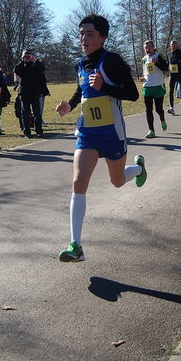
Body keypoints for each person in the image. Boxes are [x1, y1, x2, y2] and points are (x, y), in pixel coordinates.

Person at [55, 14, 147, 262]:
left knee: (116, 181)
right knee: (78, 182)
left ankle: (138, 170)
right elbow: (81, 89)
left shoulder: (112, 61)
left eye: (89, 34)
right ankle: (76, 245)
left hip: (112, 132)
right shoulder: (80, 64)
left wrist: (104, 87)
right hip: (88, 132)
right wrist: (70, 106)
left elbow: (132, 94)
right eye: (81, 33)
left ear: (102, 37)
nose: (83, 39)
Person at [141, 40, 169, 138]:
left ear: (153, 47)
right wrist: (143, 78)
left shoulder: (159, 57)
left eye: (149, 47)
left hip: (158, 86)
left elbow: (166, 68)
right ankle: (151, 130)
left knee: (158, 109)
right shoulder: (144, 59)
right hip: (147, 86)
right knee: (148, 110)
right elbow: (145, 72)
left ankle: (162, 119)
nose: (148, 49)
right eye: (146, 48)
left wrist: (156, 63)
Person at [14, 49, 44, 138]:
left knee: (37, 113)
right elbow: (17, 71)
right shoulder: (21, 66)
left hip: (35, 93)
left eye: (28, 56)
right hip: (24, 93)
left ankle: (39, 130)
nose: (27, 58)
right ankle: (27, 132)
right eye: (25, 56)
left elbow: (42, 69)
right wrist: (22, 60)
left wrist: (34, 61)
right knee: (25, 113)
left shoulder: (35, 65)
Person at [167, 40, 181, 114]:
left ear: (177, 45)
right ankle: (171, 107)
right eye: (171, 45)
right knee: (170, 91)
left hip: (180, 74)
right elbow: (167, 63)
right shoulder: (169, 54)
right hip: (172, 75)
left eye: (174, 45)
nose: (172, 46)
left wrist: (180, 63)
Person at [36, 58, 50, 125]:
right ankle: (39, 119)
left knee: (41, 106)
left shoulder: (42, 75)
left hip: (42, 91)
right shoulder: (38, 74)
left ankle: (40, 118)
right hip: (39, 91)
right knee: (39, 107)